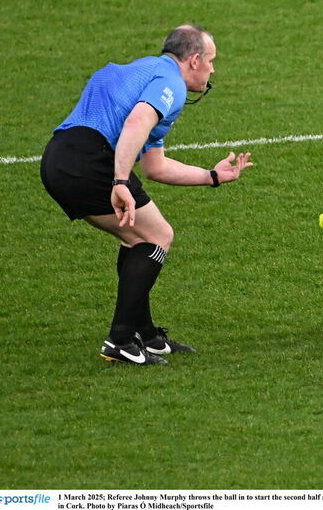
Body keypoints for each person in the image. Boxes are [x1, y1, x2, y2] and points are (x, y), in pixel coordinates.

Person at [40, 25, 255, 365]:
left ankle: (146, 335)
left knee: (138, 240)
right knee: (158, 236)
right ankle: (121, 340)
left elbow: (154, 166)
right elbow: (136, 122)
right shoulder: (169, 84)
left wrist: (212, 176)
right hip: (91, 160)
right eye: (212, 61)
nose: (213, 69)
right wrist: (120, 181)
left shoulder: (143, 73)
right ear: (195, 60)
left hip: (58, 160)